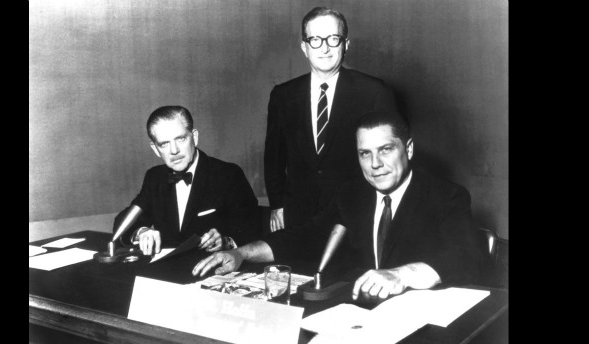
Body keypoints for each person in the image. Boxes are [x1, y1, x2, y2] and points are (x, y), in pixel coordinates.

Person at [193, 111, 483, 301]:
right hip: (358, 315)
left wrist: (400, 275)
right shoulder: (353, 193)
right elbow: (305, 236)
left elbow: (467, 257)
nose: (375, 164)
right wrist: (240, 253)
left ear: (407, 149)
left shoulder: (446, 195)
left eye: (385, 150)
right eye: (364, 153)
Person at [264, 7, 398, 235]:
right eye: (315, 39)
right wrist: (277, 205)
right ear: (304, 47)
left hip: (356, 216)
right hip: (298, 216)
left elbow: (391, 157)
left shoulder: (374, 92)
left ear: (346, 44)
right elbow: (274, 157)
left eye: (333, 39)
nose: (324, 48)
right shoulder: (283, 95)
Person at [113, 105, 259, 256]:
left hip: (215, 271)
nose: (174, 150)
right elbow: (123, 222)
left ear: (194, 137)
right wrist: (142, 232)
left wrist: (226, 242)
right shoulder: (154, 177)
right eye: (164, 144)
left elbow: (253, 229)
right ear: (155, 149)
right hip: (166, 271)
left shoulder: (228, 174)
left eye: (180, 139)